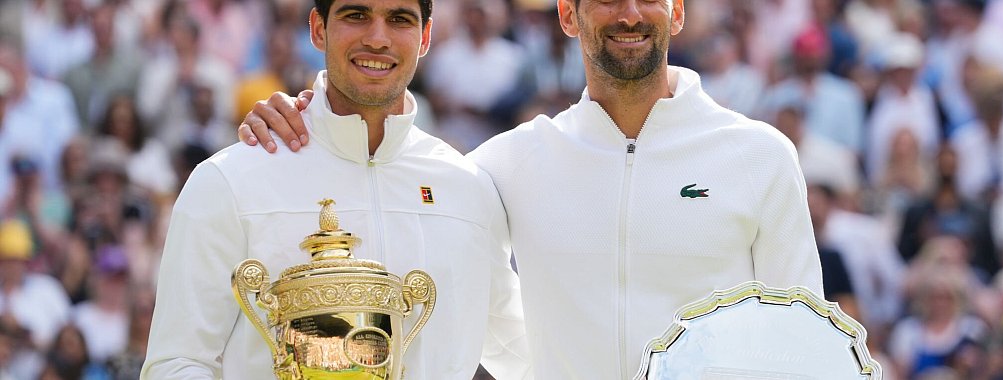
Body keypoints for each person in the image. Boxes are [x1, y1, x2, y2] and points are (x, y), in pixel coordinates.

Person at [240, 0, 824, 377]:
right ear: (568, 15)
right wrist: (306, 121)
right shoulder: (505, 163)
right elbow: (383, 176)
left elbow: (805, 346)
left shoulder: (760, 157)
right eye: (605, 0)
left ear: (676, 12)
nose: (628, 15)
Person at [141, 0, 531, 379]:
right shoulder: (228, 181)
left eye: (399, 19)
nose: (378, 38)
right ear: (318, 29)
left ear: (425, 36)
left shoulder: (469, 188)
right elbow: (177, 362)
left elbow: (525, 356)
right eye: (356, 15)